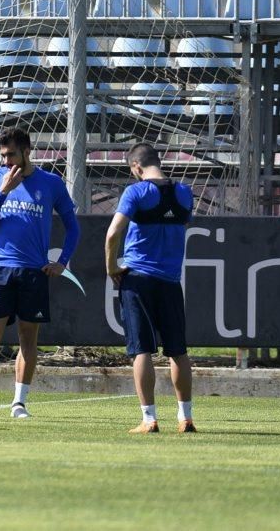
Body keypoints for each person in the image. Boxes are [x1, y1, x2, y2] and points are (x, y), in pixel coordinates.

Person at [0, 127, 80, 419]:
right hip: (0, 268)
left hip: (34, 272)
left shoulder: (50, 183)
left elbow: (73, 226)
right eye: (2, 155)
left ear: (27, 152)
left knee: (28, 337)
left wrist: (62, 261)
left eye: (11, 154)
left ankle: (19, 403)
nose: (5, 161)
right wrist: (4, 191)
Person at [104, 142, 197, 434]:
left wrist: (111, 269)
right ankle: (185, 418)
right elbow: (178, 226)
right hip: (170, 281)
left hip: (138, 279)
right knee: (177, 351)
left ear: (136, 167)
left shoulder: (136, 191)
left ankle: (149, 419)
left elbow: (112, 234)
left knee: (141, 349)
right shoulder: (184, 192)